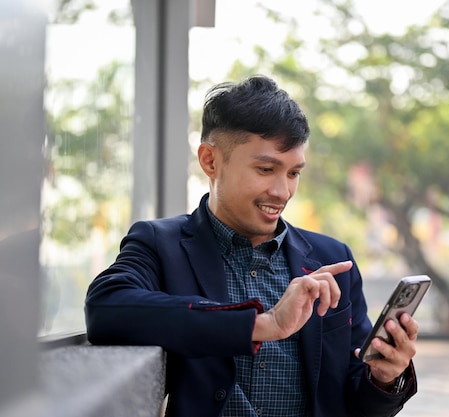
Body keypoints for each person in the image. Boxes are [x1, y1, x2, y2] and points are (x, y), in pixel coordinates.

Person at [85, 75, 418, 417]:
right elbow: (106, 308)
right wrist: (263, 325)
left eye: (293, 173)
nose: (282, 191)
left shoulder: (333, 260)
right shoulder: (161, 244)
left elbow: (354, 401)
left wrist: (385, 376)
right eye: (265, 169)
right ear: (210, 161)